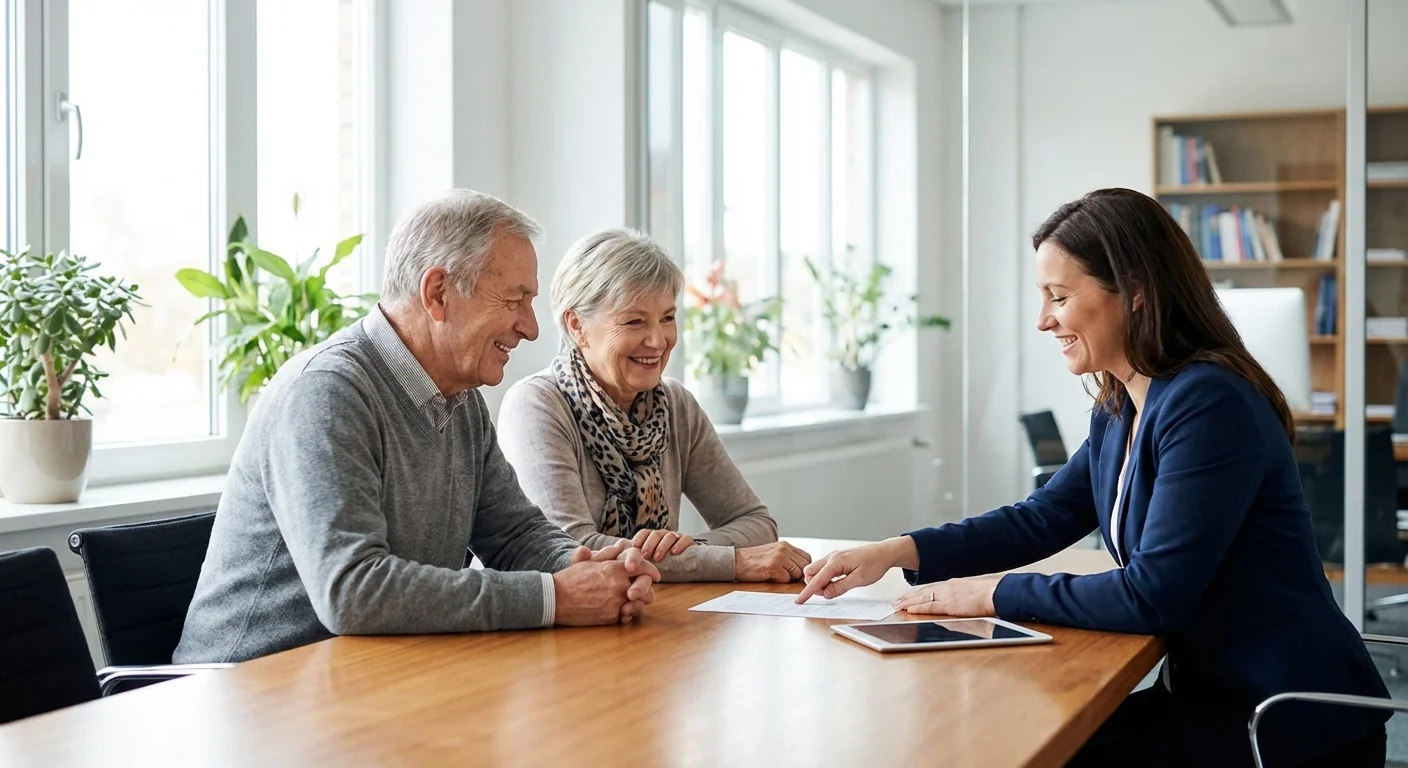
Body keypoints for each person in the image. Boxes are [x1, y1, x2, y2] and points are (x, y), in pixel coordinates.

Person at [796, 188, 1389, 767]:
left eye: (1058, 296)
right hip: (1209, 697)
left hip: (1280, 721)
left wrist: (988, 592)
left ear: (1133, 292)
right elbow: (1043, 516)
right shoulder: (1121, 404)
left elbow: (1151, 595)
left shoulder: (1209, 403)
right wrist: (898, 550)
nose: (1043, 320)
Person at [175, 191, 660, 664]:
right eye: (515, 300)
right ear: (437, 293)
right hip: (245, 697)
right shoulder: (326, 392)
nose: (531, 328)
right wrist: (553, 596)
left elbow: (514, 535)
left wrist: (590, 567)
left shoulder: (460, 398)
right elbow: (353, 590)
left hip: (367, 680)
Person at [497, 228, 811, 582]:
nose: (658, 340)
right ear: (577, 325)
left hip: (655, 612)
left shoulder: (675, 404)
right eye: (634, 321)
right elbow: (574, 551)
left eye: (667, 317)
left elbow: (756, 523)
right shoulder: (536, 405)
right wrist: (730, 562)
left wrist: (682, 549)